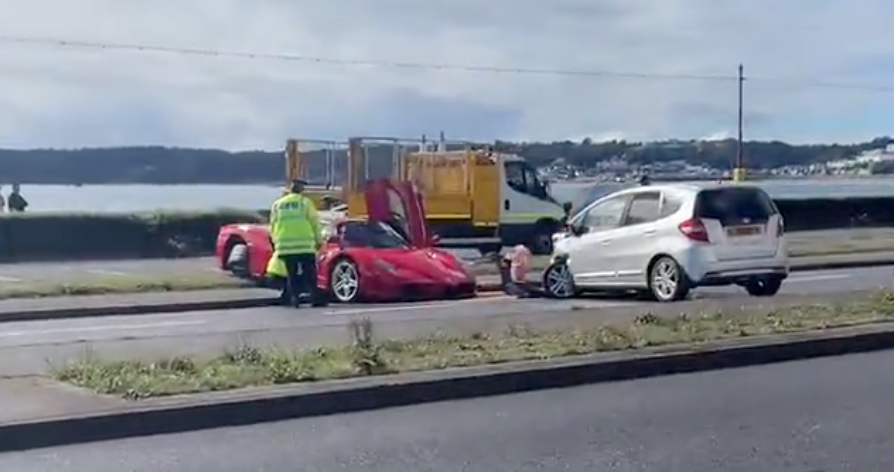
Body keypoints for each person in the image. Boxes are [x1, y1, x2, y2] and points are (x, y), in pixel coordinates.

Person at [269, 179, 326, 308]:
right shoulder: (304, 203)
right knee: (310, 273)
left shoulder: (277, 205)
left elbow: (272, 226)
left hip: (285, 247)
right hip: (304, 246)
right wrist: (319, 241)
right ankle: (315, 298)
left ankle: (294, 299)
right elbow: (314, 223)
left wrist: (276, 243)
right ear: (301, 190)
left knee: (292, 274)